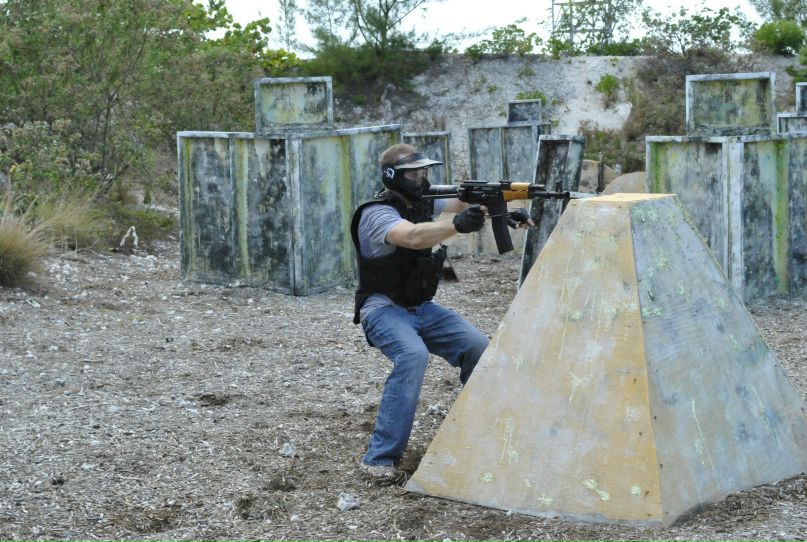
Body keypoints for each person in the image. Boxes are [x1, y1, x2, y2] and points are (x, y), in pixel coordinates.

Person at [350, 143, 532, 479]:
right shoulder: (376, 213)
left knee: (479, 348)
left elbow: (465, 201)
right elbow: (415, 237)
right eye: (413, 174)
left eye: (424, 172)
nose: (421, 180)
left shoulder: (423, 200)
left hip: (422, 308)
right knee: (412, 356)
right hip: (383, 309)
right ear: (393, 176)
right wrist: (458, 225)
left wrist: (502, 209)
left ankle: (481, 432)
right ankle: (379, 459)